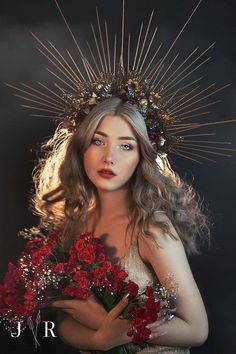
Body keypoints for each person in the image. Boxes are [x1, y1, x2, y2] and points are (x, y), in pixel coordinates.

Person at [32, 97, 209, 353]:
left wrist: (106, 324)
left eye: (126, 146)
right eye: (98, 141)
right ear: (81, 147)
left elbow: (196, 330)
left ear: (141, 156)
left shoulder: (151, 228)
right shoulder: (76, 223)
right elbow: (65, 319)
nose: (109, 158)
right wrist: (97, 340)